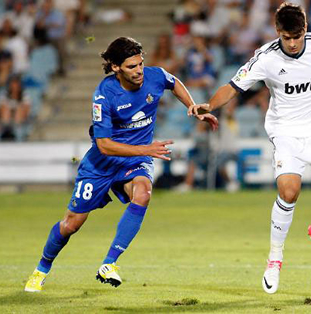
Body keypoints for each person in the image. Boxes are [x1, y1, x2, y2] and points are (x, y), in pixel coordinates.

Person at [189, 2, 311, 294]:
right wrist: (209, 104)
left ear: (305, 30)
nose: (291, 42)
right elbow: (233, 86)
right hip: (286, 133)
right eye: (286, 37)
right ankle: (275, 257)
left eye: (296, 36)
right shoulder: (266, 58)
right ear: (278, 32)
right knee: (289, 191)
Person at [24, 37, 218, 292]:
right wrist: (146, 149)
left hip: (135, 160)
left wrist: (192, 106)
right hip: (101, 164)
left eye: (140, 64)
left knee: (143, 193)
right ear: (115, 67)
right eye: (131, 67)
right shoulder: (104, 95)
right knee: (71, 224)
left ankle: (109, 263)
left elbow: (173, 82)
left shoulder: (154, 76)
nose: (138, 71)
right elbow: (104, 145)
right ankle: (42, 268)